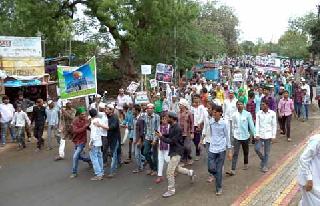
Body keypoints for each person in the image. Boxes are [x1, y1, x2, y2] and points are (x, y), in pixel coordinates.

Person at [156, 112, 195, 198]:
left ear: (172, 119)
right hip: (173, 151)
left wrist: (161, 137)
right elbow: (170, 135)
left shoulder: (177, 128)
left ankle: (171, 190)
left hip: (177, 152)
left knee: (169, 172)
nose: (166, 119)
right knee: (177, 169)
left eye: (167, 118)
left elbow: (171, 141)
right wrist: (162, 135)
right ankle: (190, 172)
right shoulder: (172, 126)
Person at [208, 105, 232, 195]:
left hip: (221, 149)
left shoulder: (225, 123)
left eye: (215, 112)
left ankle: (219, 188)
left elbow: (227, 136)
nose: (213, 113)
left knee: (218, 169)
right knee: (210, 168)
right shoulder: (211, 122)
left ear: (220, 113)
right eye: (213, 112)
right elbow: (211, 133)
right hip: (212, 147)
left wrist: (229, 150)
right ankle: (217, 176)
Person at [227, 101, 255, 176]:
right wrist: (233, 134)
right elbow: (232, 126)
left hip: (245, 136)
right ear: (236, 106)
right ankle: (233, 169)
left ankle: (246, 163)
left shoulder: (247, 114)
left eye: (241, 104)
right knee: (235, 153)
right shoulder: (234, 115)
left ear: (243, 105)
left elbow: (251, 125)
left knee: (245, 151)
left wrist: (255, 135)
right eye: (238, 104)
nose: (239, 105)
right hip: (237, 136)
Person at [297, 134, 320, 206]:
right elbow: (303, 159)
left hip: (316, 176)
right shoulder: (317, 140)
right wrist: (309, 179)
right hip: (309, 178)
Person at [255, 100, 277, 173]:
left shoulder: (272, 114)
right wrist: (256, 134)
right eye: (261, 105)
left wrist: (273, 136)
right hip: (260, 135)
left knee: (266, 152)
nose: (262, 106)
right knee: (257, 149)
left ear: (267, 105)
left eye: (263, 104)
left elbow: (274, 125)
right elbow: (257, 124)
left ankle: (265, 166)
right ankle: (263, 159)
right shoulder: (258, 113)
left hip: (268, 135)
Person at [70, 107, 91, 178]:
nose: (84, 116)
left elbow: (89, 128)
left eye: (85, 114)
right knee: (79, 156)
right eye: (82, 114)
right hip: (76, 140)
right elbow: (76, 131)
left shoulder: (86, 120)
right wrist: (85, 126)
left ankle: (74, 172)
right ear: (78, 114)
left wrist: (91, 123)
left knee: (75, 156)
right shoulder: (75, 121)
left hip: (82, 141)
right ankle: (89, 160)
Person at [88, 108, 108, 181]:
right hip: (100, 141)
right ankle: (101, 172)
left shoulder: (93, 122)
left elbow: (93, 134)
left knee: (94, 158)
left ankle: (98, 174)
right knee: (99, 156)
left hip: (95, 142)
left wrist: (91, 144)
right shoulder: (99, 120)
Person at [143, 103, 160, 176]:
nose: (149, 110)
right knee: (145, 152)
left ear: (153, 109)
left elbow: (158, 128)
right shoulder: (145, 116)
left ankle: (155, 169)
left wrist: (155, 139)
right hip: (147, 137)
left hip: (154, 138)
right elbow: (145, 127)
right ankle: (152, 167)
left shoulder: (157, 117)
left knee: (155, 154)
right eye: (148, 108)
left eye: (151, 108)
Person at [106, 103, 121, 178]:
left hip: (115, 139)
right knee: (116, 152)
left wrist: (104, 126)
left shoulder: (114, 117)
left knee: (113, 155)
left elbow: (113, 127)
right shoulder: (108, 117)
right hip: (110, 139)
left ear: (111, 110)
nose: (106, 110)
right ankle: (119, 162)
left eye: (107, 109)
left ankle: (112, 171)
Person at [178, 98, 194, 165]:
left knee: (187, 147)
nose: (179, 105)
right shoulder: (178, 113)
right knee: (181, 147)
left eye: (180, 104)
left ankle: (189, 157)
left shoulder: (189, 113)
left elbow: (192, 123)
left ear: (184, 105)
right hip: (179, 132)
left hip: (187, 132)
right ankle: (183, 159)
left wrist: (192, 132)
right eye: (179, 104)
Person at [155, 114, 170, 184]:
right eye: (163, 119)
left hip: (167, 146)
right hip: (160, 146)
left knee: (168, 160)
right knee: (160, 160)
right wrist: (155, 140)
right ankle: (159, 176)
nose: (164, 120)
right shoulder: (159, 127)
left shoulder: (170, 127)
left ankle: (175, 169)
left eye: (165, 119)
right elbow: (157, 135)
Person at [191, 95, 205, 161]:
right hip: (192, 125)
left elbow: (202, 116)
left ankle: (197, 153)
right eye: (194, 99)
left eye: (197, 98)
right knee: (193, 140)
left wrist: (199, 124)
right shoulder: (191, 108)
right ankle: (199, 147)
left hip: (199, 125)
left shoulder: (201, 107)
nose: (196, 100)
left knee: (197, 139)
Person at [132, 105, 145, 173]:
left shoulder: (141, 119)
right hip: (135, 139)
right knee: (135, 153)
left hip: (138, 140)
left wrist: (139, 141)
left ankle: (139, 167)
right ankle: (144, 161)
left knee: (137, 154)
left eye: (133, 110)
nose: (132, 111)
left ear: (137, 111)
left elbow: (142, 131)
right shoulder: (135, 118)